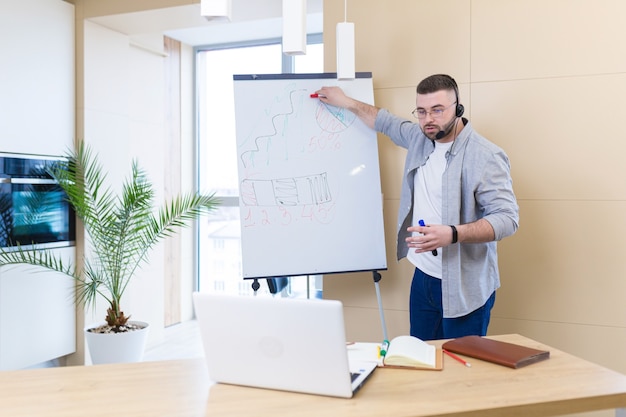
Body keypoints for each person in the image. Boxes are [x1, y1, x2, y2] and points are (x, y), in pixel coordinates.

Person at [314, 74, 519, 340]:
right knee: (421, 362)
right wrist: (345, 101)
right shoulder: (419, 137)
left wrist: (453, 234)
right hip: (423, 278)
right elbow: (383, 120)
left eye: (437, 110)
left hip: (465, 286)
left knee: (463, 373)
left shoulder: (486, 156)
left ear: (458, 108)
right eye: (421, 111)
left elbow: (507, 219)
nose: (428, 119)